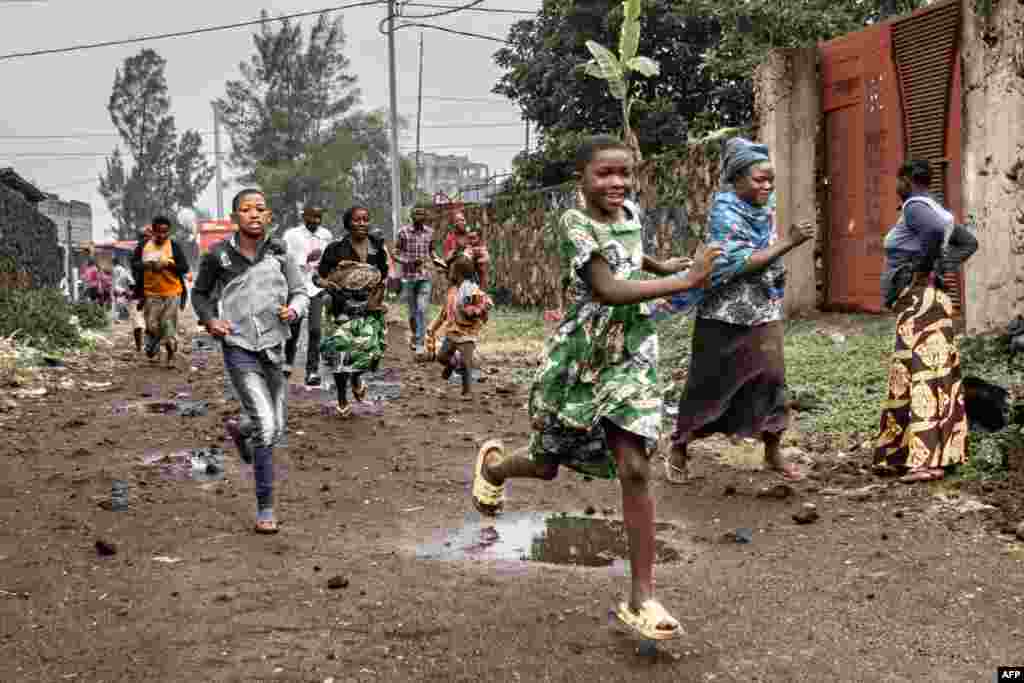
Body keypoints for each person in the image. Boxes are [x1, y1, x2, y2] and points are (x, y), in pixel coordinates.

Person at [470, 135, 721, 642]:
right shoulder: (573, 222)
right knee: (546, 462)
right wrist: (688, 281)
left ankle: (642, 597)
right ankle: (494, 467)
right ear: (581, 179)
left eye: (624, 173)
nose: (617, 183)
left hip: (631, 352)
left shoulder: (629, 211)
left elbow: (629, 254)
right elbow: (606, 287)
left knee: (634, 466)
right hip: (582, 357)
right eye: (605, 174)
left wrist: (661, 265)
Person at [663, 138, 815, 484]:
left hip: (761, 307)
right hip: (723, 313)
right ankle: (680, 447)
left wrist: (779, 251)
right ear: (737, 178)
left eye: (769, 180)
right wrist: (787, 243)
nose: (766, 186)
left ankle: (772, 451)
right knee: (707, 384)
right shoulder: (725, 211)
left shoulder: (765, 207)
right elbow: (737, 265)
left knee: (773, 377)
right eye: (759, 180)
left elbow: (764, 258)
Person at [191, 189, 308, 534]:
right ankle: (266, 508)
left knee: (275, 426)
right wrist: (211, 321)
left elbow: (300, 291)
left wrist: (294, 309)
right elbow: (200, 294)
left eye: (260, 209)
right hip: (238, 346)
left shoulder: (279, 253)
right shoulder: (218, 257)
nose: (253, 214)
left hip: (274, 347)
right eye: (246, 209)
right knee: (268, 428)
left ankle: (241, 430)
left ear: (268, 216)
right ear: (234, 217)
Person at [873, 160, 977, 483]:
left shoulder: (915, 206)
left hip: (920, 301)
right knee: (933, 375)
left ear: (905, 180)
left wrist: (921, 268)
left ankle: (921, 462)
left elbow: (933, 234)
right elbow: (968, 242)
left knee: (917, 375)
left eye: (897, 181)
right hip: (933, 300)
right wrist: (942, 264)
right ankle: (922, 456)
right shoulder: (939, 209)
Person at [317, 206, 390, 418]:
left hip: (369, 309)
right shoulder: (335, 249)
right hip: (341, 309)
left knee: (368, 353)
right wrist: (329, 285)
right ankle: (341, 399)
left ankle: (357, 378)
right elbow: (319, 277)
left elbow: (382, 275)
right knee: (341, 353)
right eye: (357, 220)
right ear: (348, 223)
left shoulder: (376, 247)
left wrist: (376, 298)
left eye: (366, 219)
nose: (362, 223)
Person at [425, 254, 493, 397]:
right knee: (442, 357)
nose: (446, 274)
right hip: (452, 332)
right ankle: (452, 364)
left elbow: (485, 303)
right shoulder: (452, 291)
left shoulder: (472, 289)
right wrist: (433, 327)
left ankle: (467, 392)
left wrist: (478, 311)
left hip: (467, 333)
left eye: (449, 271)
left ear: (458, 273)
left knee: (467, 363)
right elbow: (444, 313)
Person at [282, 205, 333, 385]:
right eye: (312, 217)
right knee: (294, 329)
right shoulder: (292, 235)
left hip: (317, 288)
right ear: (304, 217)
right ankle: (288, 363)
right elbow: (285, 259)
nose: (316, 221)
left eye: (319, 217)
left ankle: (312, 371)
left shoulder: (326, 235)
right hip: (297, 288)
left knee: (315, 330)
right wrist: (306, 259)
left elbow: (328, 261)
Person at [130, 216, 190, 366]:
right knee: (151, 326)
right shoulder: (144, 245)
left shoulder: (174, 246)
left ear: (168, 232)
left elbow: (184, 268)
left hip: (172, 292)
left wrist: (168, 264)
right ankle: (155, 343)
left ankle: (170, 356)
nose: (162, 235)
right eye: (159, 232)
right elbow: (134, 264)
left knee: (167, 325)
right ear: (153, 231)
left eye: (165, 232)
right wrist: (147, 265)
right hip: (151, 293)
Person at [395, 204, 435, 355]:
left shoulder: (430, 232)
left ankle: (420, 342)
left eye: (422, 213)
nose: (419, 216)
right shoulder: (403, 232)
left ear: (425, 217)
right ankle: (415, 335)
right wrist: (408, 261)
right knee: (412, 312)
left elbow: (431, 251)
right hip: (409, 277)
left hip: (425, 276)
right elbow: (396, 252)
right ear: (411, 216)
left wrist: (439, 262)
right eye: (416, 213)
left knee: (422, 308)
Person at [441, 211, 489, 286]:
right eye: (458, 220)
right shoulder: (450, 238)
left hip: (473, 273)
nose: (461, 222)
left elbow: (484, 253)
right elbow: (446, 258)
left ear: (466, 221)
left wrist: (480, 257)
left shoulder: (472, 235)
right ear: (454, 223)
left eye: (462, 220)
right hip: (457, 274)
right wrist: (455, 252)